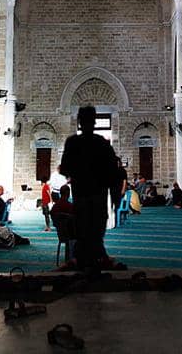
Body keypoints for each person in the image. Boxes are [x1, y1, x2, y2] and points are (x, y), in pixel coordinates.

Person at [58, 105, 122, 271]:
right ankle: (96, 261)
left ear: (80, 121)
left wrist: (78, 174)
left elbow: (64, 168)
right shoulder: (100, 143)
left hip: (82, 194)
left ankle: (84, 262)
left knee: (84, 231)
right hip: (97, 195)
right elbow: (114, 171)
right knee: (95, 230)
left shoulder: (73, 143)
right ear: (94, 122)